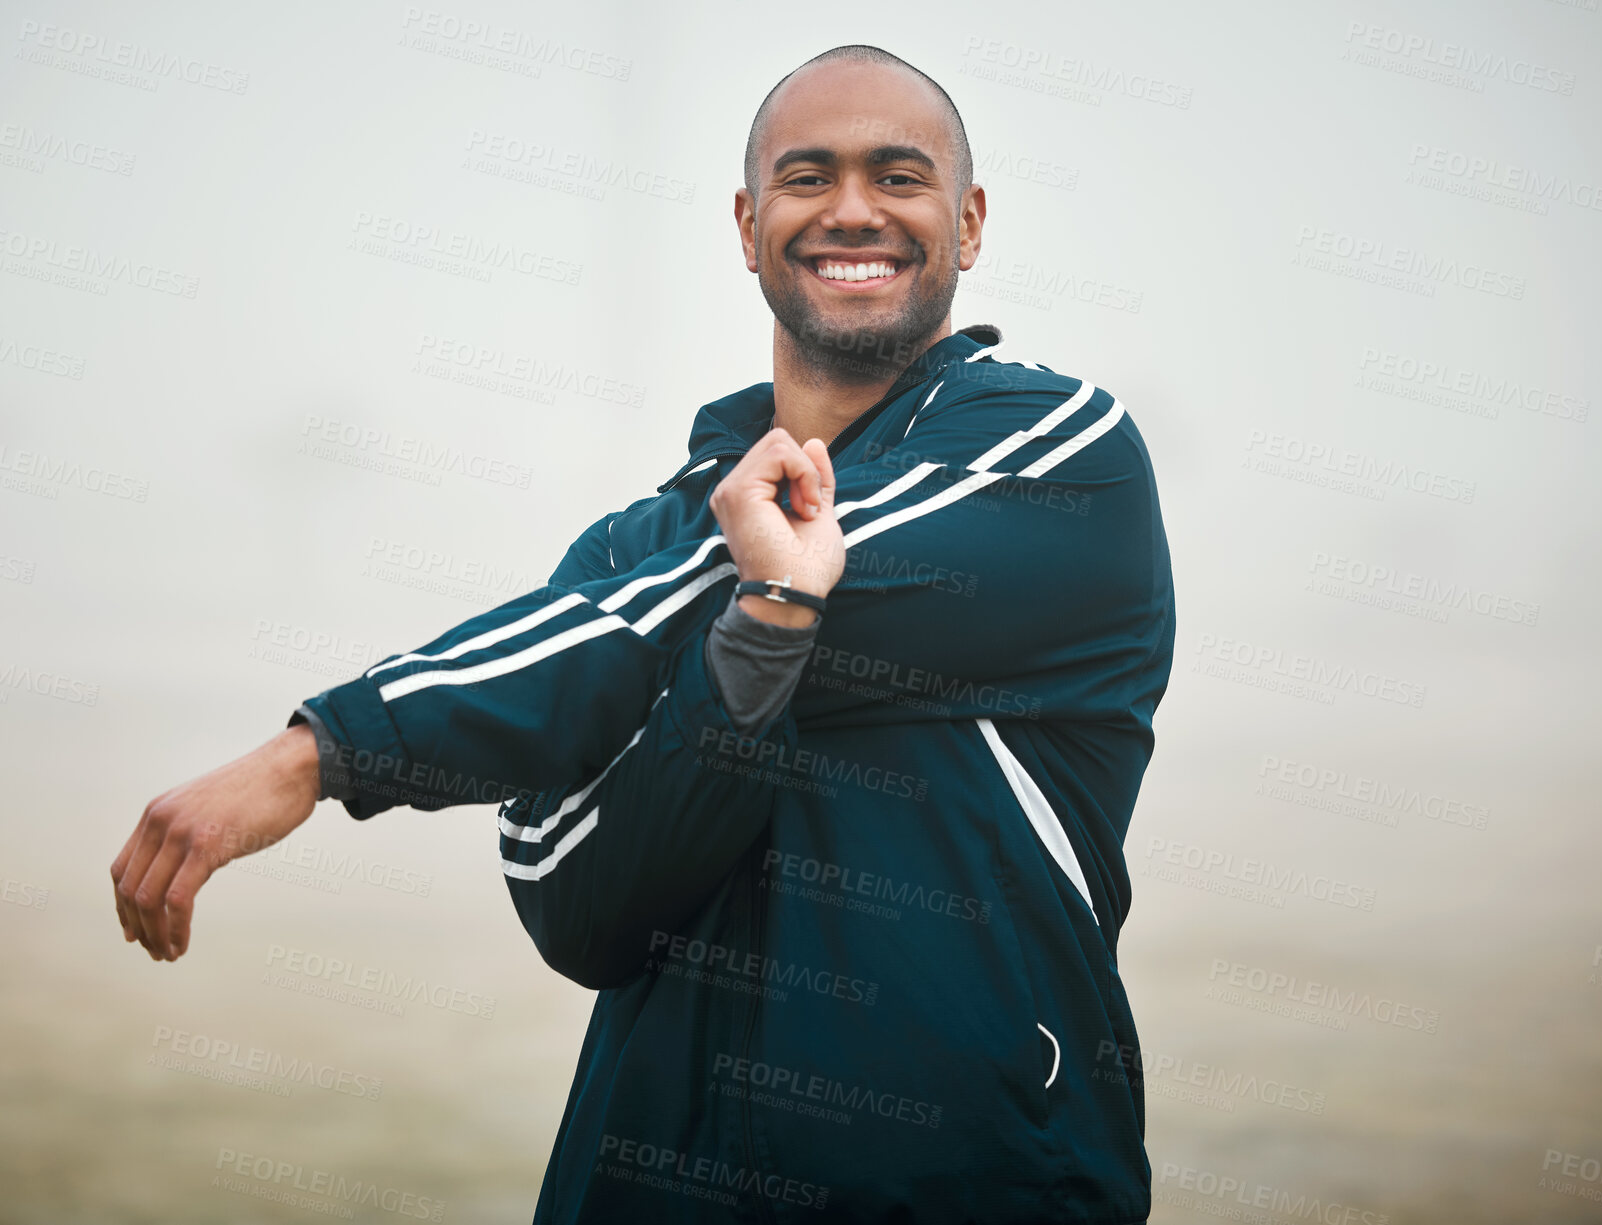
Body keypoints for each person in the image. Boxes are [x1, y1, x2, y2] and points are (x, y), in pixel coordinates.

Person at [111, 44, 1176, 1223]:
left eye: (899, 176)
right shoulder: (628, 551)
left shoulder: (1054, 454)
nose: (853, 210)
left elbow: (666, 611)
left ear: (968, 222)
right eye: (808, 176)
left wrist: (324, 750)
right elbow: (579, 906)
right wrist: (763, 639)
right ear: (746, 222)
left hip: (979, 1188)